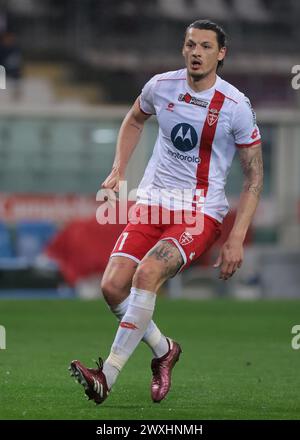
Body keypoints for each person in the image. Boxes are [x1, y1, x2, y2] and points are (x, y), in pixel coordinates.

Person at [69, 19, 263, 405]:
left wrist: (235, 238)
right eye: (191, 44)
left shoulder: (235, 106)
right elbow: (134, 119)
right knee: (111, 288)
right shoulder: (161, 86)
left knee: (148, 273)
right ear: (183, 49)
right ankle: (164, 351)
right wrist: (119, 169)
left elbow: (254, 178)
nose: (196, 52)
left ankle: (105, 376)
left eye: (206, 46)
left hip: (200, 214)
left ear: (220, 54)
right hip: (153, 202)